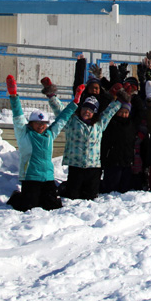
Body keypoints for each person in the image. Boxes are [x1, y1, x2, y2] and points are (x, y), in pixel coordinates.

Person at [6, 75, 79, 212]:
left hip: (47, 177)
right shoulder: (24, 134)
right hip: (30, 177)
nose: (41, 126)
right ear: (31, 124)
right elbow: (18, 116)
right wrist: (14, 95)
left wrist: (75, 102)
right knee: (28, 206)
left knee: (53, 206)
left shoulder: (49, 134)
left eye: (44, 123)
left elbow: (62, 119)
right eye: (37, 123)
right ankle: (16, 196)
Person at [50, 60, 121, 200]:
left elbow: (110, 111)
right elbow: (60, 111)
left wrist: (121, 99)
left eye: (90, 110)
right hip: (76, 165)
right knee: (73, 196)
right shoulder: (72, 122)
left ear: (94, 112)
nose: (87, 112)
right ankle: (66, 187)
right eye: (85, 109)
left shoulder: (99, 123)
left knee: (90, 196)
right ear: (81, 108)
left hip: (93, 166)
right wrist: (51, 96)